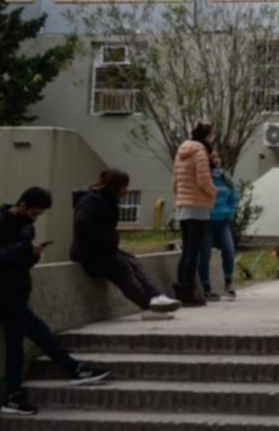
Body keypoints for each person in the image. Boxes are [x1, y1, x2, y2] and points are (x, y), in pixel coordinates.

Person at [0, 187, 111, 416]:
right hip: (0, 293)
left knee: (16, 345)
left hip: (16, 291)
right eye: (34, 213)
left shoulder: (24, 228)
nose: (35, 218)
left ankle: (13, 396)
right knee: (39, 331)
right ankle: (73, 368)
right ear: (22, 205)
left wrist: (32, 255)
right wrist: (23, 248)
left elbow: (18, 263)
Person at [71, 169, 182, 320]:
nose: (125, 191)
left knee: (133, 263)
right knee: (122, 268)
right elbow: (82, 224)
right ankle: (148, 306)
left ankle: (156, 297)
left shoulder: (108, 200)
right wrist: (108, 239)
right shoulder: (92, 201)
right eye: (123, 187)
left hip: (104, 250)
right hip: (88, 253)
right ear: (114, 186)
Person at [172, 122, 217, 306]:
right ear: (207, 136)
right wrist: (214, 192)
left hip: (183, 205)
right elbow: (203, 180)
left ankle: (181, 286)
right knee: (194, 252)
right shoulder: (200, 152)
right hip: (198, 205)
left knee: (186, 250)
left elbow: (175, 179)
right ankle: (188, 291)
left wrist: (180, 197)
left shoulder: (181, 150)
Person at [203, 150, 239, 300]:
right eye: (212, 157)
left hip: (223, 221)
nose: (216, 160)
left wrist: (230, 212)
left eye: (218, 157)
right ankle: (205, 286)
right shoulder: (204, 177)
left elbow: (234, 196)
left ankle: (228, 282)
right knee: (204, 254)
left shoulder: (225, 178)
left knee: (229, 251)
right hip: (207, 221)